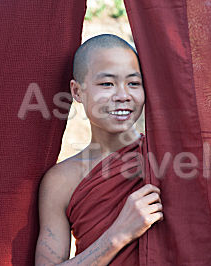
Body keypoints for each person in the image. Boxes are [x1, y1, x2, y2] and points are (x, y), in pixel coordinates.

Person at [35, 34, 163, 266]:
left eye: (134, 83)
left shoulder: (164, 158)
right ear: (77, 92)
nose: (123, 96)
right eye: (107, 84)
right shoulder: (61, 181)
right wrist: (119, 235)